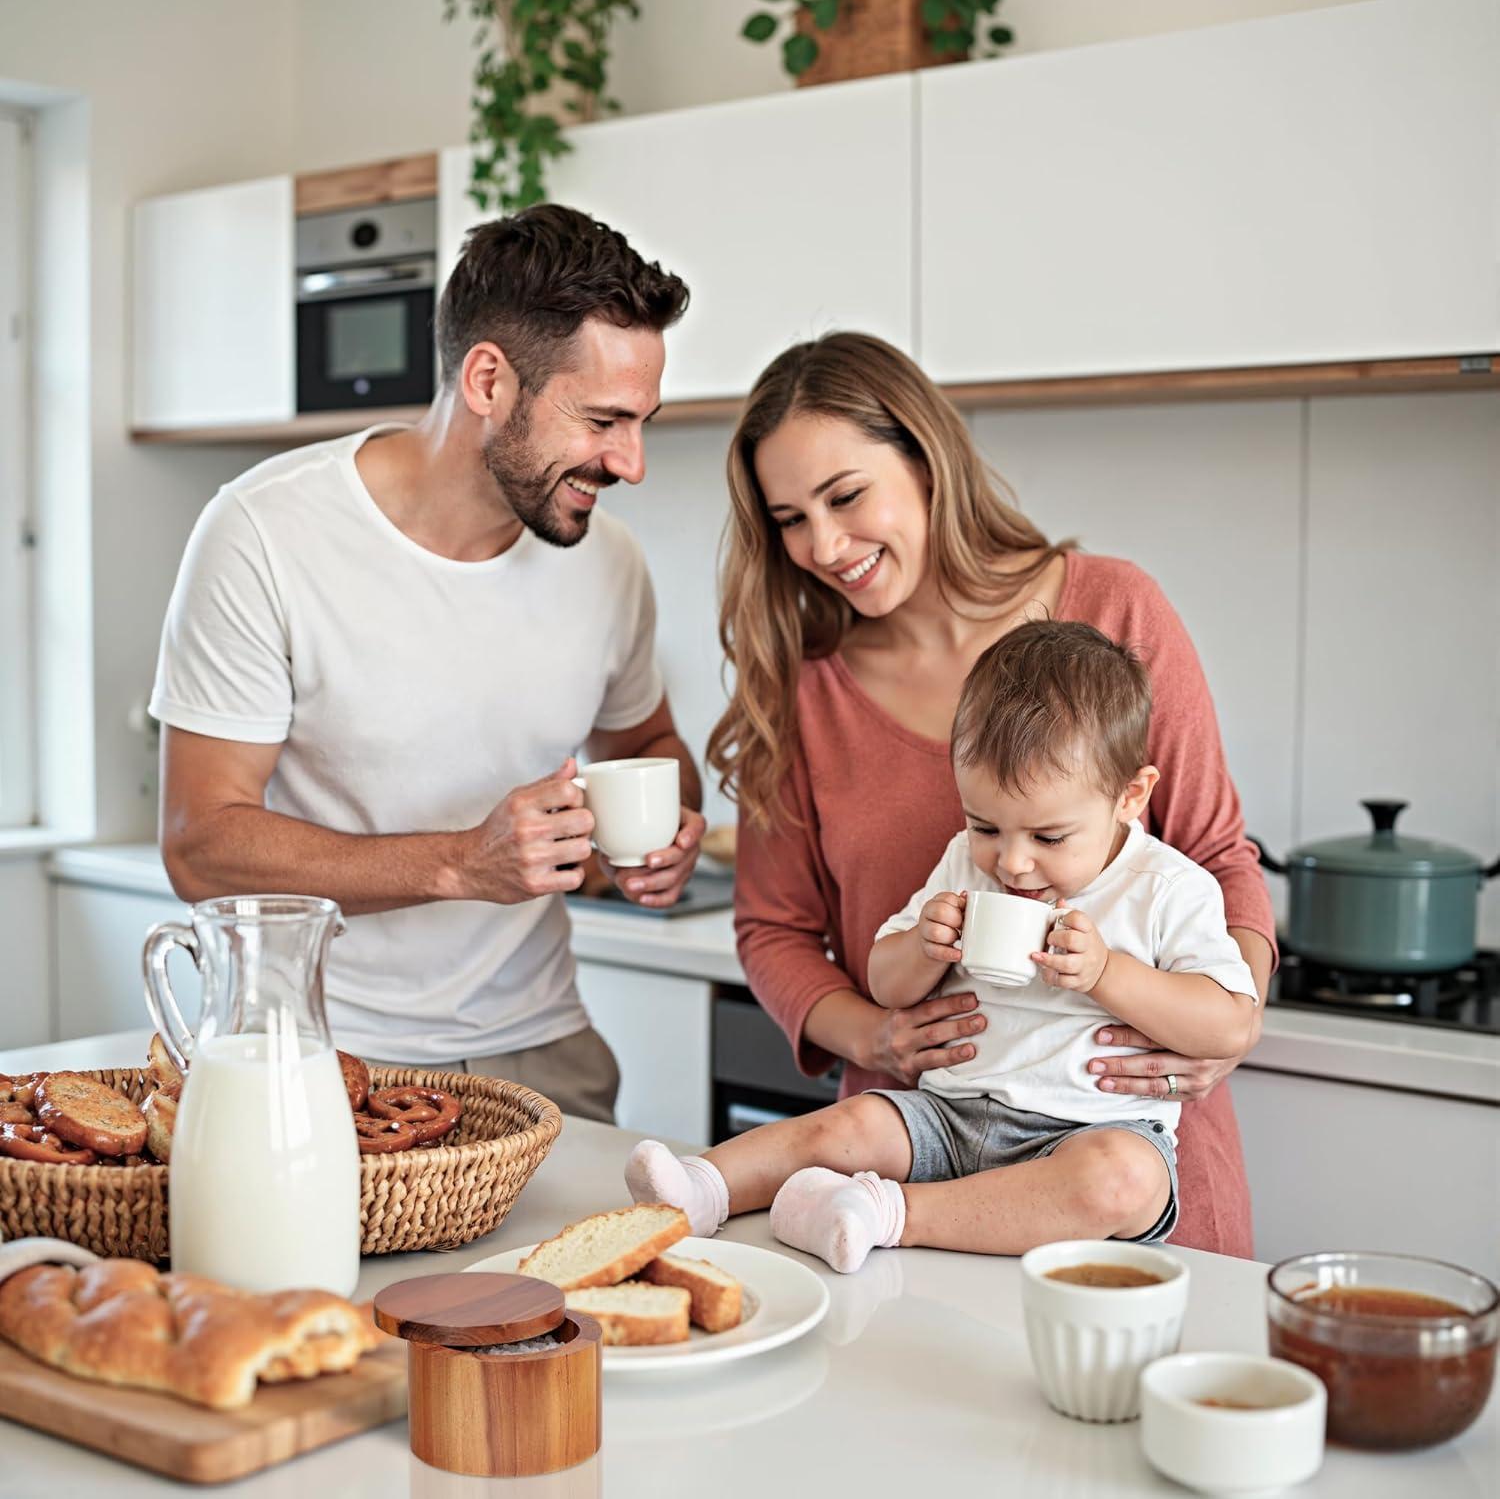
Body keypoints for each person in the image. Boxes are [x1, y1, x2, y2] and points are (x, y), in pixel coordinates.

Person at [705, 332, 1275, 1255]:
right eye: (790, 519)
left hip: (1126, 1163)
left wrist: (1223, 1025)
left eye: (846, 496)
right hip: (900, 1184)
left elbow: (1217, 856)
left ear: (927, 462)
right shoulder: (800, 693)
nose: (824, 545)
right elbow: (771, 930)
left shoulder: (1115, 611)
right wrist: (877, 1037)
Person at [149, 204, 704, 1122]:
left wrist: (668, 828)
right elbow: (200, 845)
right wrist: (458, 864)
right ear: (488, 379)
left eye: (641, 421)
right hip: (315, 1053)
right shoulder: (264, 533)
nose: (631, 463)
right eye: (604, 419)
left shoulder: (608, 563)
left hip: (544, 1055)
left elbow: (644, 737)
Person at [626, 621, 1258, 1270]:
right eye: (985, 824)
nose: (1011, 862)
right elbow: (884, 984)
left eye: (1048, 837)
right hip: (949, 1112)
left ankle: (889, 1212)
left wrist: (1106, 974)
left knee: (1125, 1182)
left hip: (1090, 1132)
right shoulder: (964, 862)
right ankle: (702, 1188)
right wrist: (924, 949)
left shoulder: (1169, 889)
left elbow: (1227, 1024)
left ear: (1131, 796)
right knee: (850, 1125)